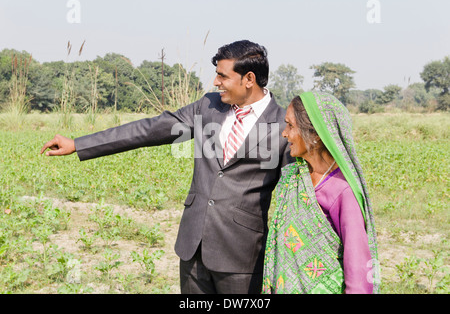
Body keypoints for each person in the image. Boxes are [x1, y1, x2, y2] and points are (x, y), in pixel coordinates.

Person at [40, 40, 294, 294]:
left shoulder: (283, 128)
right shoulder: (208, 107)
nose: (215, 82)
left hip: (242, 256)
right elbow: (149, 130)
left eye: (222, 76)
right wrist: (79, 144)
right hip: (193, 249)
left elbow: (296, 198)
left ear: (249, 79)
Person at [262, 91, 379, 294]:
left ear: (315, 134)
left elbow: (358, 268)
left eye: (291, 126)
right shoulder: (294, 176)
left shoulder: (341, 190)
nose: (284, 133)